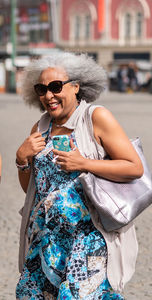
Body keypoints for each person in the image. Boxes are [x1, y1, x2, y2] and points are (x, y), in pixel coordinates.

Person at [16, 52, 143, 299]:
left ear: (76, 86)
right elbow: (34, 189)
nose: (49, 96)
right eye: (42, 89)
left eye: (55, 87)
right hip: (47, 240)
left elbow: (133, 167)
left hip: (87, 238)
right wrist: (22, 160)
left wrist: (84, 163)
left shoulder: (95, 117)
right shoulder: (40, 127)